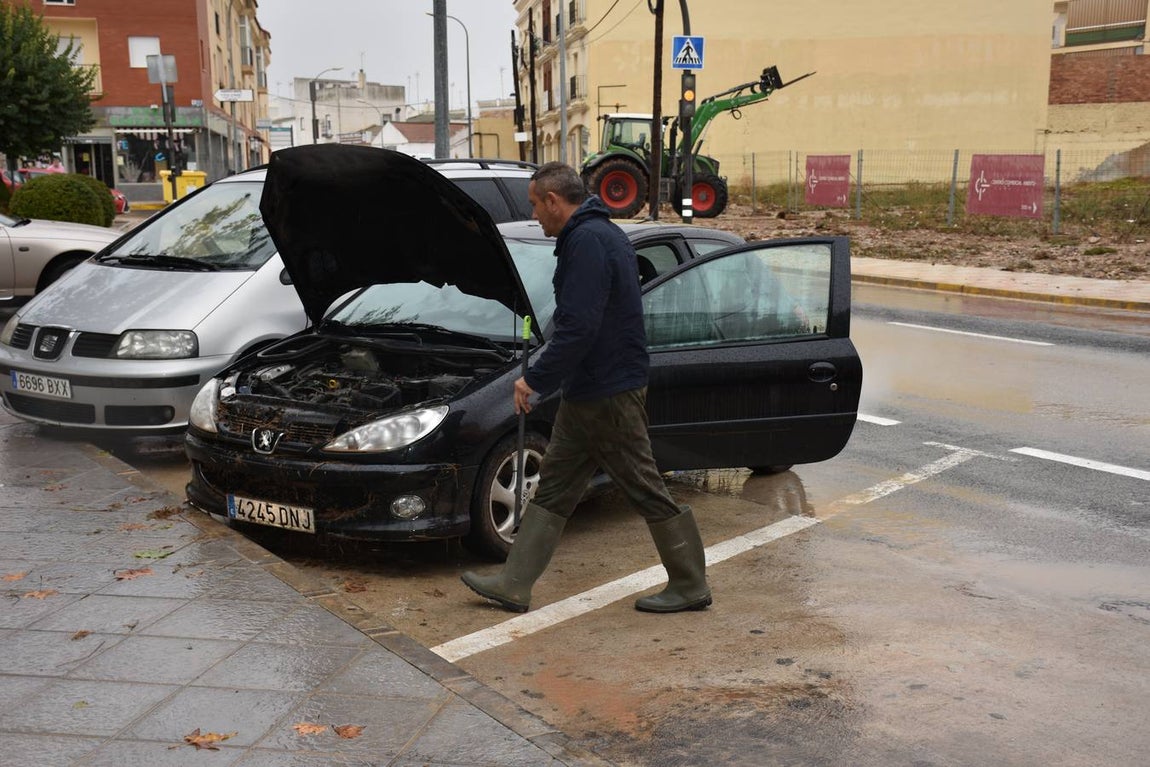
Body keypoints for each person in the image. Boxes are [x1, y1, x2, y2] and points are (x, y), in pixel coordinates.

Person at [461, 162, 712, 615]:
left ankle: (691, 583)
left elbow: (579, 327)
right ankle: (513, 584)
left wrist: (535, 378)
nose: (535, 214)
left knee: (642, 484)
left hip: (609, 391)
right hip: (590, 390)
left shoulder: (589, 242)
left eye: (536, 204)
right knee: (555, 486)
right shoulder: (594, 236)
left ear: (554, 201)